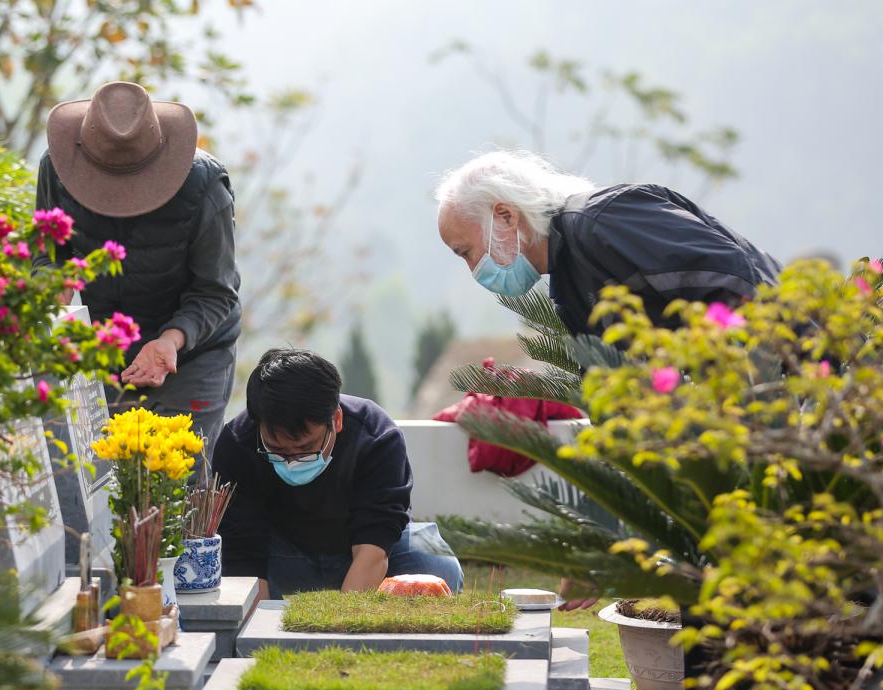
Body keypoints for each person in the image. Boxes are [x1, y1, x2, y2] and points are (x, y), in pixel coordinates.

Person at [34, 81, 241, 454]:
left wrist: (170, 340)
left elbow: (215, 290)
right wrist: (53, 284)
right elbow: (48, 252)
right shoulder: (57, 169)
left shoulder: (206, 186)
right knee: (96, 470)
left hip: (189, 353)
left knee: (175, 476)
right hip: (101, 347)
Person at [435, 149, 781, 337]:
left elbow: (733, 280)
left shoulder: (603, 220)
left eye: (465, 252)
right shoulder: (568, 281)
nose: (473, 269)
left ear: (506, 216)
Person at [213, 348, 465, 599]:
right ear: (258, 424)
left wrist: (343, 627)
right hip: (282, 552)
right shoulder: (237, 442)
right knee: (221, 569)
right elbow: (243, 555)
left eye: (306, 449)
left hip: (369, 549)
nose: (291, 461)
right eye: (276, 450)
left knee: (438, 570)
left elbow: (374, 547)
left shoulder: (376, 436)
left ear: (337, 419)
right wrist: (259, 632)